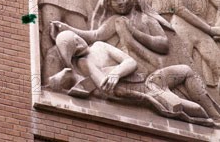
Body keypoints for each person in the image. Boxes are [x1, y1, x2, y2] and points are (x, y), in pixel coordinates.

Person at [50, 31, 220, 127]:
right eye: (75, 44)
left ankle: (215, 115)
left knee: (185, 70)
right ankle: (210, 121)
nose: (80, 42)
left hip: (151, 80)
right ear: (72, 53)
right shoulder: (84, 62)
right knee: (192, 108)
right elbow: (104, 85)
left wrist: (116, 72)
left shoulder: (100, 46)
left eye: (77, 38)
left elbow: (131, 62)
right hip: (146, 91)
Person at [51, 0, 172, 74]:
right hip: (120, 62)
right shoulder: (114, 20)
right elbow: (95, 35)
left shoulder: (145, 19)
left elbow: (164, 45)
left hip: (145, 63)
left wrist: (134, 32)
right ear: (108, 3)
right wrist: (68, 28)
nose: (120, 2)